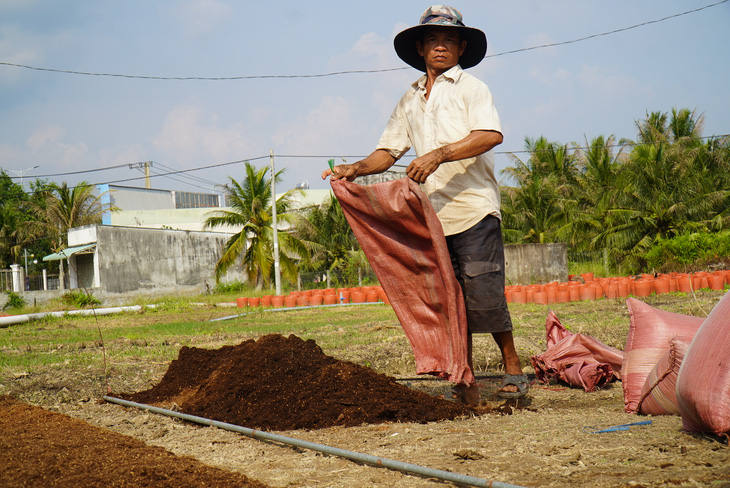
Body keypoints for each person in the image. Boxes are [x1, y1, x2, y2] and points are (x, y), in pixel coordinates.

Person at [322, 5, 528, 405]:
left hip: (474, 209)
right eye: (433, 39)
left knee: (483, 293)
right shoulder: (410, 98)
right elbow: (388, 150)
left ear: (461, 47)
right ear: (420, 47)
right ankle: (464, 381)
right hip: (433, 218)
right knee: (448, 302)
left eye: (449, 40)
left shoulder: (472, 88)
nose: (441, 46)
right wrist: (355, 168)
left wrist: (438, 154)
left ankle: (514, 370)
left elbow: (489, 135)